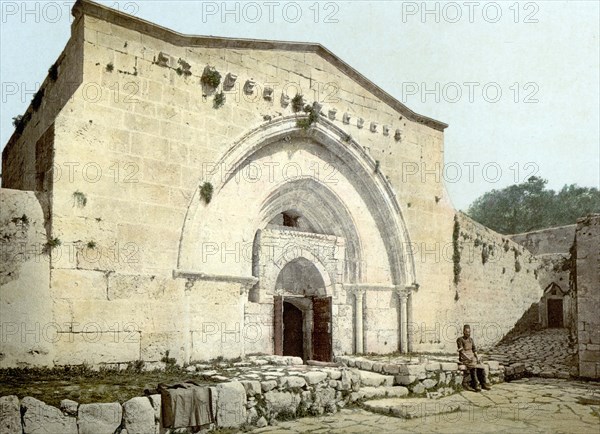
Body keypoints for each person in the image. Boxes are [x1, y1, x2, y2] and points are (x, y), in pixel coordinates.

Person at [456, 324, 491, 391]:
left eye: (469, 332)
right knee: (473, 367)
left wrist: (477, 358)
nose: (468, 333)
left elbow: (474, 350)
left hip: (472, 357)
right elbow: (461, 352)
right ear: (463, 331)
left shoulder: (471, 340)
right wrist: (468, 358)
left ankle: (483, 383)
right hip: (464, 358)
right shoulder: (460, 339)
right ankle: (476, 384)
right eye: (466, 332)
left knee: (481, 366)